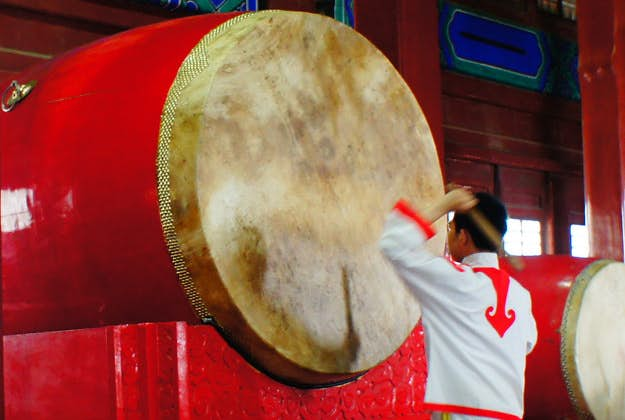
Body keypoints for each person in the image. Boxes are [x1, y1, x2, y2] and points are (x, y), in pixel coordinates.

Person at [379, 186, 537, 420]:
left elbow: (393, 242)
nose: (449, 236)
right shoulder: (521, 296)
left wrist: (445, 204)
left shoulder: (455, 281)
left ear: (463, 236)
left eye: (451, 229)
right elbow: (528, 343)